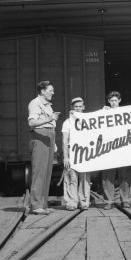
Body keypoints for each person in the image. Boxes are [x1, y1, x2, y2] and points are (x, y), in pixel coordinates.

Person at [27, 81, 60, 215]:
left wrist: (54, 141)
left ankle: (43, 204)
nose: (53, 93)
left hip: (49, 136)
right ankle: (36, 205)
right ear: (42, 91)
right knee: (39, 171)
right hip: (40, 136)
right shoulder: (35, 103)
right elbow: (32, 122)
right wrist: (50, 118)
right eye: (50, 90)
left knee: (47, 172)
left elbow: (50, 124)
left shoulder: (47, 105)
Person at [101, 91, 131, 209]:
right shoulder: (104, 113)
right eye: (111, 101)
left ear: (119, 101)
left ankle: (125, 199)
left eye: (115, 100)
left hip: (123, 146)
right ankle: (108, 201)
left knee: (125, 174)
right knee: (108, 175)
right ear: (108, 101)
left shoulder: (126, 112)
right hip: (109, 147)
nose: (113, 103)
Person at [61, 97, 91, 211]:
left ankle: (84, 201)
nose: (78, 108)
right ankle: (71, 202)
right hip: (72, 152)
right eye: (75, 107)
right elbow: (64, 140)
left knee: (84, 178)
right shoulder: (67, 122)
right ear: (72, 108)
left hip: (85, 152)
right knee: (71, 177)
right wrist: (66, 157)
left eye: (80, 106)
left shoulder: (88, 120)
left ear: (83, 108)